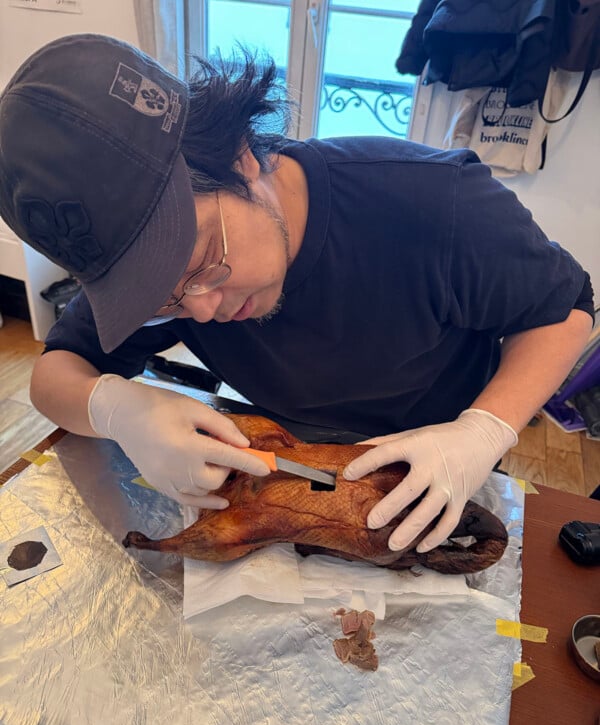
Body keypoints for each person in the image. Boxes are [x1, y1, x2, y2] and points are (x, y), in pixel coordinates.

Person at [0, 34, 593, 555]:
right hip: (283, 463)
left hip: (433, 462)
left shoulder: (433, 202)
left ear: (242, 157)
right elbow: (53, 375)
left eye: (205, 261)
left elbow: (564, 309)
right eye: (164, 301)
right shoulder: (177, 281)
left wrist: (483, 431)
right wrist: (117, 409)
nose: (204, 309)